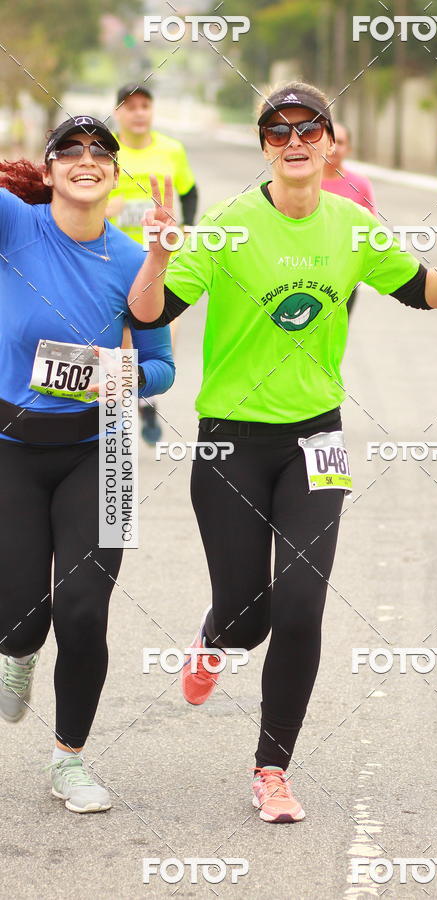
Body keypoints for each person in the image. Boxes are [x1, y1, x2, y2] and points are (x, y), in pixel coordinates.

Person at [126, 82, 437, 824]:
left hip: (318, 439)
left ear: (331, 140)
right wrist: (155, 256)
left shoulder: (354, 224)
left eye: (310, 128)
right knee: (249, 618)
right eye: (279, 132)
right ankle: (215, 636)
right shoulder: (226, 224)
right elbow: (152, 311)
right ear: (265, 146)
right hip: (230, 444)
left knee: (303, 605)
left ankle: (271, 769)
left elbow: (421, 291)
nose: (296, 140)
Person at [0, 116, 175, 813]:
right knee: (20, 618)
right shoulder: (16, 227)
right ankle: (16, 653)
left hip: (99, 452)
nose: (86, 159)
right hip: (11, 450)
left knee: (82, 611)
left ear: (114, 174)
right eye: (68, 151)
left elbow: (160, 367)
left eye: (100, 152)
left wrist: (119, 374)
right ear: (47, 173)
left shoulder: (134, 258)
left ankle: (69, 760)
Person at [106, 84, 197, 442]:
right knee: (124, 338)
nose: (139, 112)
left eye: (145, 105)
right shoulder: (105, 150)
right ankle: (127, 406)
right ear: (118, 113)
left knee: (160, 334)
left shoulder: (172, 150)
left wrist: (187, 229)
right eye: (131, 107)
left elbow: (189, 192)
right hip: (114, 257)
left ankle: (144, 394)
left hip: (159, 258)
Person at [321, 121, 377, 316]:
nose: (334, 147)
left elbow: (370, 228)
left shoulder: (360, 184)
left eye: (341, 142)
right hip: (306, 269)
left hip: (346, 273)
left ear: (349, 149)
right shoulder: (303, 181)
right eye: (329, 141)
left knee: (338, 330)